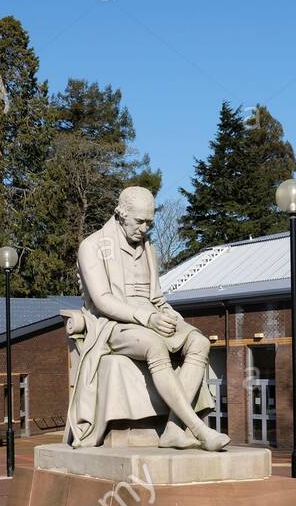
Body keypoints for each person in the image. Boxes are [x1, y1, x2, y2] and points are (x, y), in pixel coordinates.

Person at [69, 186, 229, 451]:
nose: (144, 228)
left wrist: (171, 317)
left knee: (200, 342)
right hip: (113, 324)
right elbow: (102, 300)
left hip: (151, 316)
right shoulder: (93, 246)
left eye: (149, 223)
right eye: (139, 221)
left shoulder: (149, 249)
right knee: (154, 345)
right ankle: (200, 430)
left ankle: (174, 429)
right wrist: (146, 319)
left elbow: (157, 298)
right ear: (121, 214)